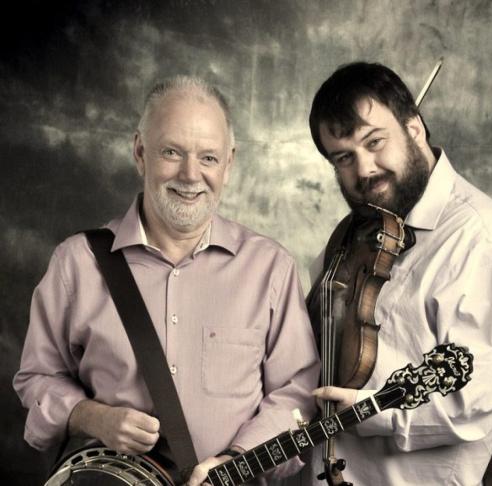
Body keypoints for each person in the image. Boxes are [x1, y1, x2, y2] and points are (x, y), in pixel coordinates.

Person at [13, 76, 320, 485]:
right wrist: (91, 416)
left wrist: (238, 458)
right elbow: (37, 377)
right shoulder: (77, 263)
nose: (191, 175)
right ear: (140, 152)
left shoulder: (270, 268)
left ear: (229, 162)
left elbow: (296, 395)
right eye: (172, 152)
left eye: (208, 158)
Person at [297, 61, 492, 486]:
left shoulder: (486, 240)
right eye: (344, 158)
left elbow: (486, 398)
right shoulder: (354, 232)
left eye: (375, 142)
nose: (365, 169)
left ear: (414, 127)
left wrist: (371, 413)